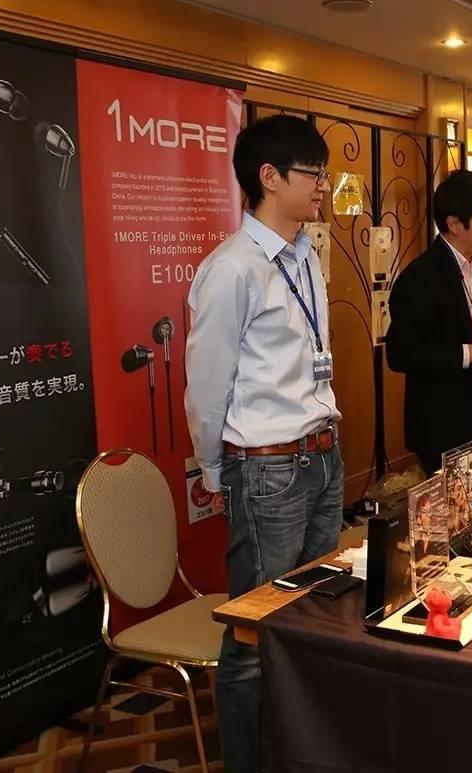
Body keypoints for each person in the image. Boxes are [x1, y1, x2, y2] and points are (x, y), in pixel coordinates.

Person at [185, 114, 343, 773]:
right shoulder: (232, 269)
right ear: (269, 177)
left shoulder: (306, 254)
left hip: (323, 454)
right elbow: (207, 385)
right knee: (254, 635)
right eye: (313, 174)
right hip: (269, 469)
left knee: (315, 616)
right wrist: (215, 469)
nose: (324, 186)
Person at [386, 170, 472, 473]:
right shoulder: (420, 278)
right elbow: (401, 355)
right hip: (444, 422)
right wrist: (469, 354)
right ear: (454, 224)